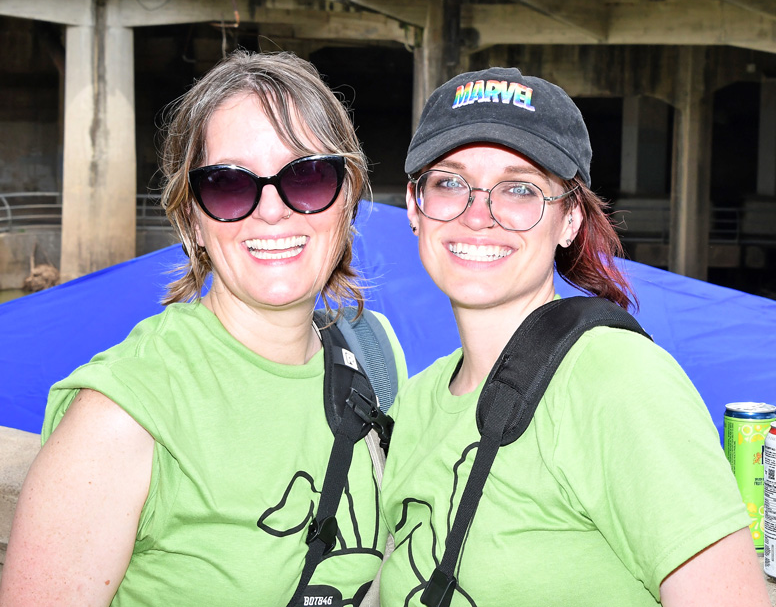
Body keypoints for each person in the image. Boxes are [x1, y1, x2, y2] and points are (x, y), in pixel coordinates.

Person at [0, 50, 406, 607]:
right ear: (191, 216)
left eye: (308, 176)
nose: (272, 211)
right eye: (229, 185)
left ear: (347, 195)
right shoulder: (121, 415)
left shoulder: (374, 355)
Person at [379, 67, 770, 606]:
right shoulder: (416, 402)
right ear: (414, 205)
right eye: (449, 183)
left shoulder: (616, 380)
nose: (478, 215)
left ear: (569, 221)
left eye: (520, 189)